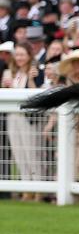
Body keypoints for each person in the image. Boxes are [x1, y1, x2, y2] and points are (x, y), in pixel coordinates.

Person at [2, 44, 42, 200]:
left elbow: (36, 94)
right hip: (13, 117)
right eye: (17, 55)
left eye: (22, 54)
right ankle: (27, 189)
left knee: (32, 153)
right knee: (19, 153)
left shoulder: (35, 71)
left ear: (29, 56)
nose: (19, 58)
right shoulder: (12, 72)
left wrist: (32, 79)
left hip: (28, 118)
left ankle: (39, 189)